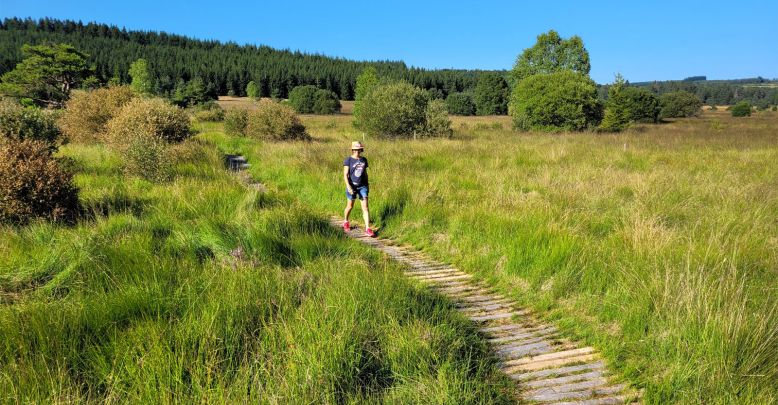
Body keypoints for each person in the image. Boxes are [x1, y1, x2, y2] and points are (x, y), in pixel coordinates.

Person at [343, 141, 375, 237]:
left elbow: (365, 173)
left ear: (361, 150)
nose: (357, 151)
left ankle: (368, 228)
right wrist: (348, 186)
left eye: (359, 150)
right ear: (352, 150)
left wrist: (367, 184)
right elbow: (345, 175)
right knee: (350, 206)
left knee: (365, 207)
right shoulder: (348, 160)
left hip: (362, 186)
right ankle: (345, 221)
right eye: (355, 150)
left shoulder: (364, 160)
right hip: (352, 186)